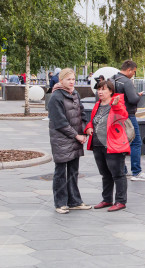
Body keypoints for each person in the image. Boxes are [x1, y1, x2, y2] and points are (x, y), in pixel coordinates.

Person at [46, 68, 92, 213]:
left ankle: (74, 201)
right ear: (61, 80)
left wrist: (84, 131)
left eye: (73, 79)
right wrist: (76, 135)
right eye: (68, 79)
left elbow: (82, 114)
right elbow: (59, 122)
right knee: (60, 172)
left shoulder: (76, 94)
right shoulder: (56, 97)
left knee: (73, 171)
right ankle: (60, 203)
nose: (71, 82)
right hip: (62, 139)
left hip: (75, 138)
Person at [84, 80, 129, 212]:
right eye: (99, 89)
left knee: (118, 174)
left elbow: (123, 116)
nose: (100, 92)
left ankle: (120, 201)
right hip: (98, 144)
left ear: (110, 91)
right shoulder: (98, 104)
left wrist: (115, 106)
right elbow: (93, 120)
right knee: (105, 174)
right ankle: (107, 199)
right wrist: (88, 127)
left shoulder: (116, 103)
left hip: (113, 144)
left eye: (103, 89)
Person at [111, 60, 145, 181]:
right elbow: (133, 100)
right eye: (133, 71)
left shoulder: (113, 79)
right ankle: (136, 172)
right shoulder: (127, 82)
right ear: (129, 70)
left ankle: (123, 170)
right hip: (128, 115)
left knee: (122, 142)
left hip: (116, 115)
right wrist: (138, 95)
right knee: (136, 142)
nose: (133, 73)